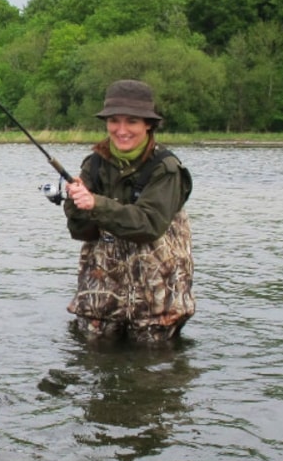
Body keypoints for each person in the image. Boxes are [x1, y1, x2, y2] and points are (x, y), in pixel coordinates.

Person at [63, 80, 194, 345]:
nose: (121, 130)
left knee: (152, 367)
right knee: (93, 357)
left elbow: (149, 225)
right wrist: (75, 204)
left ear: (148, 124)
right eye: (114, 121)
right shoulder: (95, 163)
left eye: (131, 121)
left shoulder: (166, 169)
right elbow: (81, 232)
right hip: (101, 295)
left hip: (156, 296)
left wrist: (96, 204)